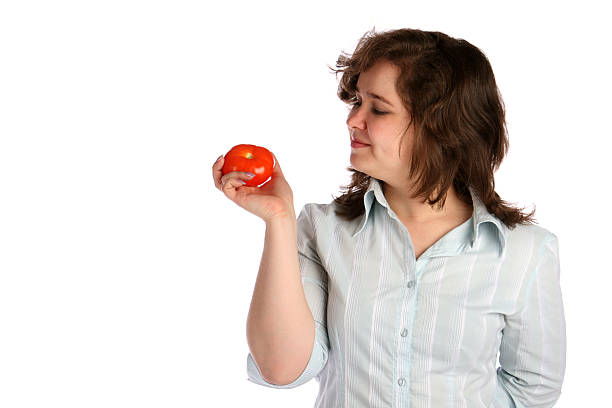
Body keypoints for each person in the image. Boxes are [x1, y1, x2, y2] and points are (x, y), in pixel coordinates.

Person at [212, 27, 566, 408]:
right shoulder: (322, 230)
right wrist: (278, 220)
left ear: (442, 129)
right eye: (356, 102)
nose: (353, 120)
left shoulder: (527, 251)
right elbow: (282, 368)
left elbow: (532, 390)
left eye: (377, 108)